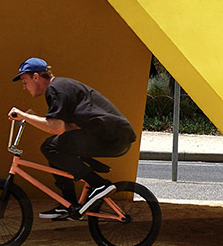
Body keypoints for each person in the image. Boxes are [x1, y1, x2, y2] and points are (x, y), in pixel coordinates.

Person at [9, 58, 137, 221]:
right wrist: (33, 118)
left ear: (36, 77)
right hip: (114, 137)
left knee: (50, 147)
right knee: (56, 147)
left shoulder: (55, 89)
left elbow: (57, 127)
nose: (24, 86)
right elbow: (66, 128)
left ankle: (99, 184)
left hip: (110, 136)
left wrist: (24, 115)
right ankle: (68, 204)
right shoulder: (61, 87)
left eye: (24, 81)